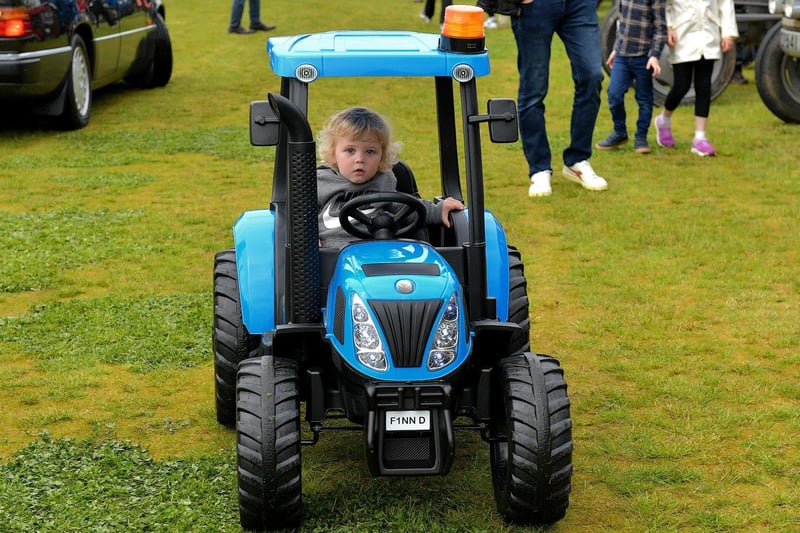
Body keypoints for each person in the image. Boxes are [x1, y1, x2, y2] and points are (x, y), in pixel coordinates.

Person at [478, 0, 608, 197]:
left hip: (580, 6)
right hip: (535, 7)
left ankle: (577, 159)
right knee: (533, 90)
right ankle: (539, 168)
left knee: (592, 77)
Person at [317, 107, 465, 248]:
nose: (359, 159)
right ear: (333, 153)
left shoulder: (383, 181)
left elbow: (407, 207)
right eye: (350, 150)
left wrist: (438, 210)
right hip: (327, 258)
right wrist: (305, 238)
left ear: (382, 156)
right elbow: (297, 215)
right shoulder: (320, 182)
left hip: (378, 255)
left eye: (370, 152)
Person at [653, 0, 738, 157]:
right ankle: (663, 120)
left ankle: (700, 138)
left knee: (704, 86)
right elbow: (665, 4)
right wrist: (668, 27)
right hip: (682, 35)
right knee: (681, 86)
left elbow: (725, 3)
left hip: (708, 35)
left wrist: (728, 33)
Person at [596, 0, 667, 155]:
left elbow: (661, 29)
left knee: (644, 99)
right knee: (614, 94)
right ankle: (619, 132)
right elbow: (621, 23)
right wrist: (616, 49)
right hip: (622, 55)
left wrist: (654, 56)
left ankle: (641, 137)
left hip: (643, 57)